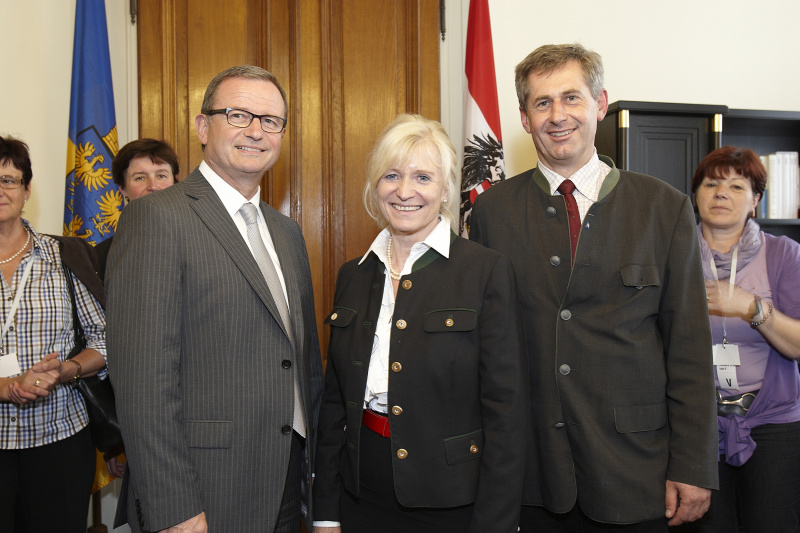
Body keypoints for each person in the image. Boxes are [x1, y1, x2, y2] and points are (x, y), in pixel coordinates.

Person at [469, 43, 718, 532]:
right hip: (532, 475)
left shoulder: (663, 209)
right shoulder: (492, 213)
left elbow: (689, 348)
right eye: (542, 103)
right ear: (524, 117)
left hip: (638, 472)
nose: (557, 115)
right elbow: (484, 350)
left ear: (601, 104)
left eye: (571, 98)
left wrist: (692, 466)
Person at [106, 65, 324, 533]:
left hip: (286, 483)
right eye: (238, 114)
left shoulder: (286, 233)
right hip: (202, 492)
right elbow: (143, 383)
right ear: (203, 127)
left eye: (271, 120)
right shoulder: (157, 219)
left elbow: (303, 365)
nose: (255, 131)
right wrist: (174, 507)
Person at [312, 114, 527, 533]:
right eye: (391, 175)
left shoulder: (485, 271)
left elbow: (507, 411)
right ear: (376, 185)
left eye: (423, 177)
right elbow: (335, 404)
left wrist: (496, 523)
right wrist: (325, 511)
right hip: (361, 496)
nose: (405, 191)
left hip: (452, 501)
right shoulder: (352, 275)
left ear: (446, 189)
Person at [680, 147, 800, 532]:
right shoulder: (672, 254)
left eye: (736, 185)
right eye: (711, 184)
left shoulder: (784, 254)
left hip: (773, 424)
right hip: (695, 423)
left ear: (755, 201)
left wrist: (751, 308)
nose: (721, 193)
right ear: (695, 194)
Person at [0, 135, 107, 532]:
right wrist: (7, 387)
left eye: (9, 180)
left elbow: (105, 337)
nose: (0, 190)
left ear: (27, 190)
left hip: (59, 440)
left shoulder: (64, 255)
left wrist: (69, 370)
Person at [94, 138, 180, 280]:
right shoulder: (100, 258)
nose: (153, 186)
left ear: (175, 182)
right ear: (123, 189)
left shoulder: (201, 245)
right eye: (140, 178)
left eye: (161, 176)